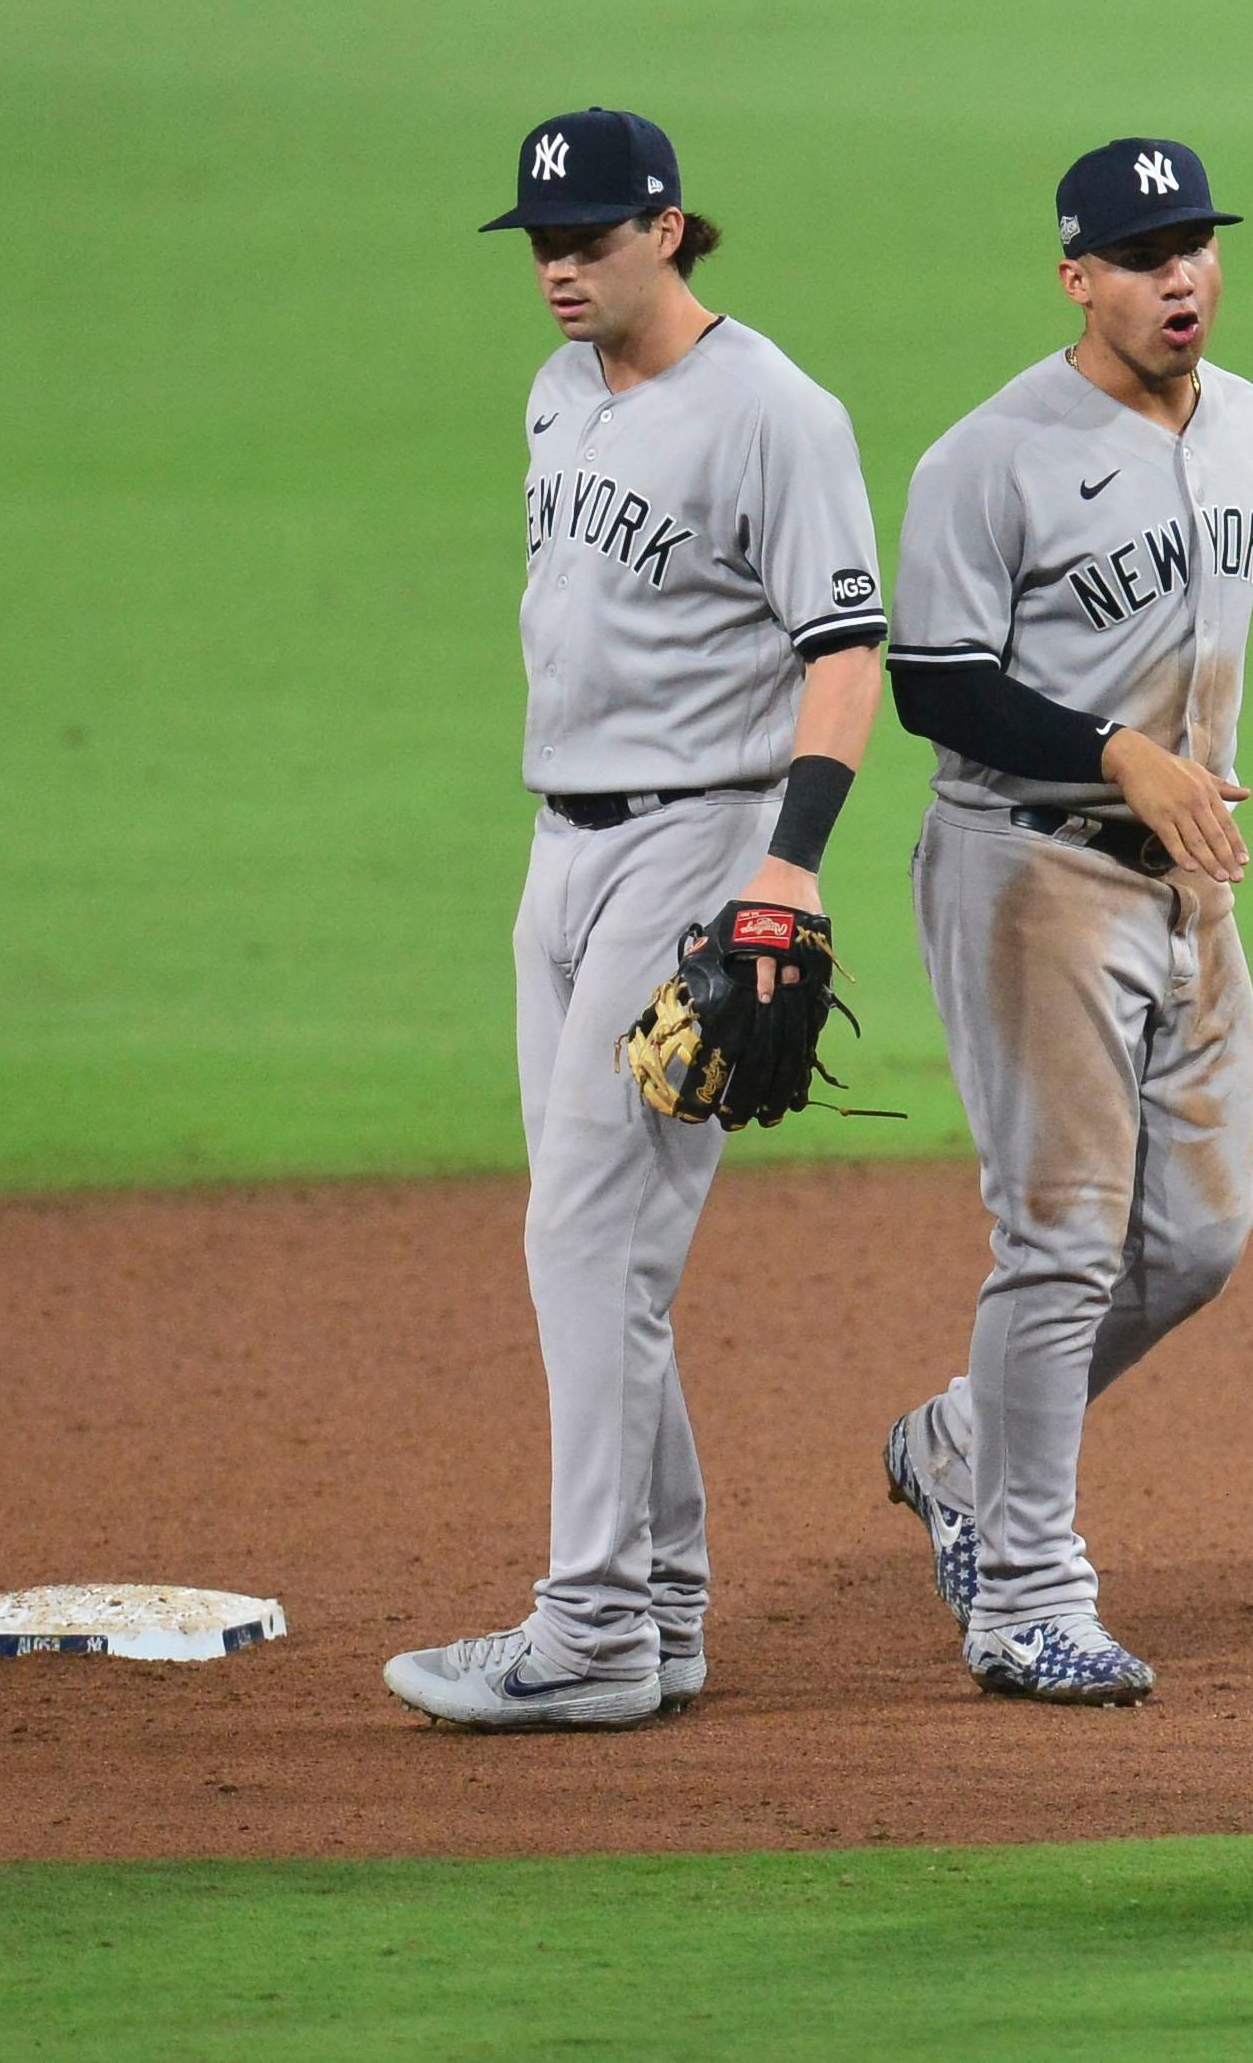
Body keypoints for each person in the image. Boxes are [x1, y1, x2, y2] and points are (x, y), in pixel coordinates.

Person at [387, 108, 886, 1729]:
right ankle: (657, 1610)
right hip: (562, 843)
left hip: (701, 843)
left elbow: (844, 651)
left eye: (590, 237)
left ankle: (589, 1629)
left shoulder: (775, 414)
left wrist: (788, 863)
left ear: (669, 229)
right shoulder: (557, 388)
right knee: (593, 1244)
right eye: (541, 240)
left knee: (588, 1240)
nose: (559, 264)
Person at [879, 139, 1253, 1706]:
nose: (1178, 275)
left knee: (1197, 1238)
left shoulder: (1246, 423)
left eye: (1193, 246)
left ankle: (960, 1444)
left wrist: (1171, 780)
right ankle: (1026, 1592)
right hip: (1028, 866)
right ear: (1076, 278)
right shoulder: (989, 455)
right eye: (1139, 254)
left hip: (1186, 873)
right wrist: (1117, 752)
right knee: (1058, 1241)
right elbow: (934, 681)